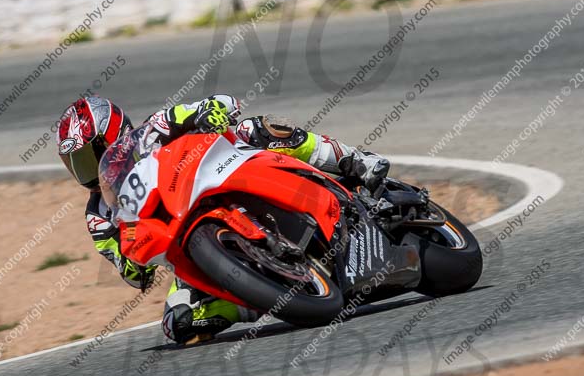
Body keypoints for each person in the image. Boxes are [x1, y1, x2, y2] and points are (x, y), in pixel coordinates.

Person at [56, 95, 390, 344]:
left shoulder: (155, 128)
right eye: (76, 163)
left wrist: (212, 111)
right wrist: (133, 260)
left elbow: (214, 104)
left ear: (112, 132)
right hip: (186, 246)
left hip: (220, 177)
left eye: (87, 156)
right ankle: (269, 294)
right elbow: (131, 272)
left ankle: (355, 161)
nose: (84, 170)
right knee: (179, 322)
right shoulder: (98, 215)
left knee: (252, 128)